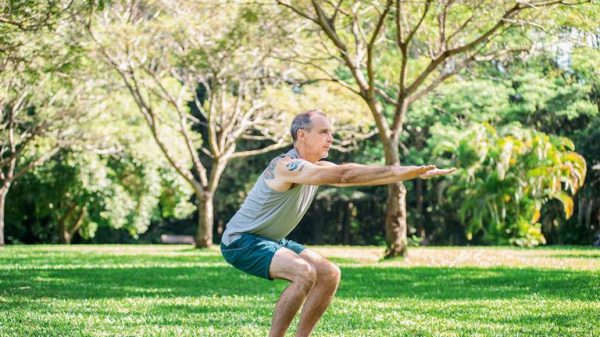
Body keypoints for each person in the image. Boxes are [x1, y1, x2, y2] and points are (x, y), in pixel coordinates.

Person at [220, 110, 455, 337]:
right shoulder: (285, 166)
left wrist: (412, 172)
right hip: (241, 241)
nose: (330, 139)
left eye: (330, 132)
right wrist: (409, 172)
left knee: (329, 274)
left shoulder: (316, 168)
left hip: (269, 240)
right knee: (304, 273)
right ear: (302, 135)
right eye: (323, 132)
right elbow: (344, 176)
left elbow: (353, 173)